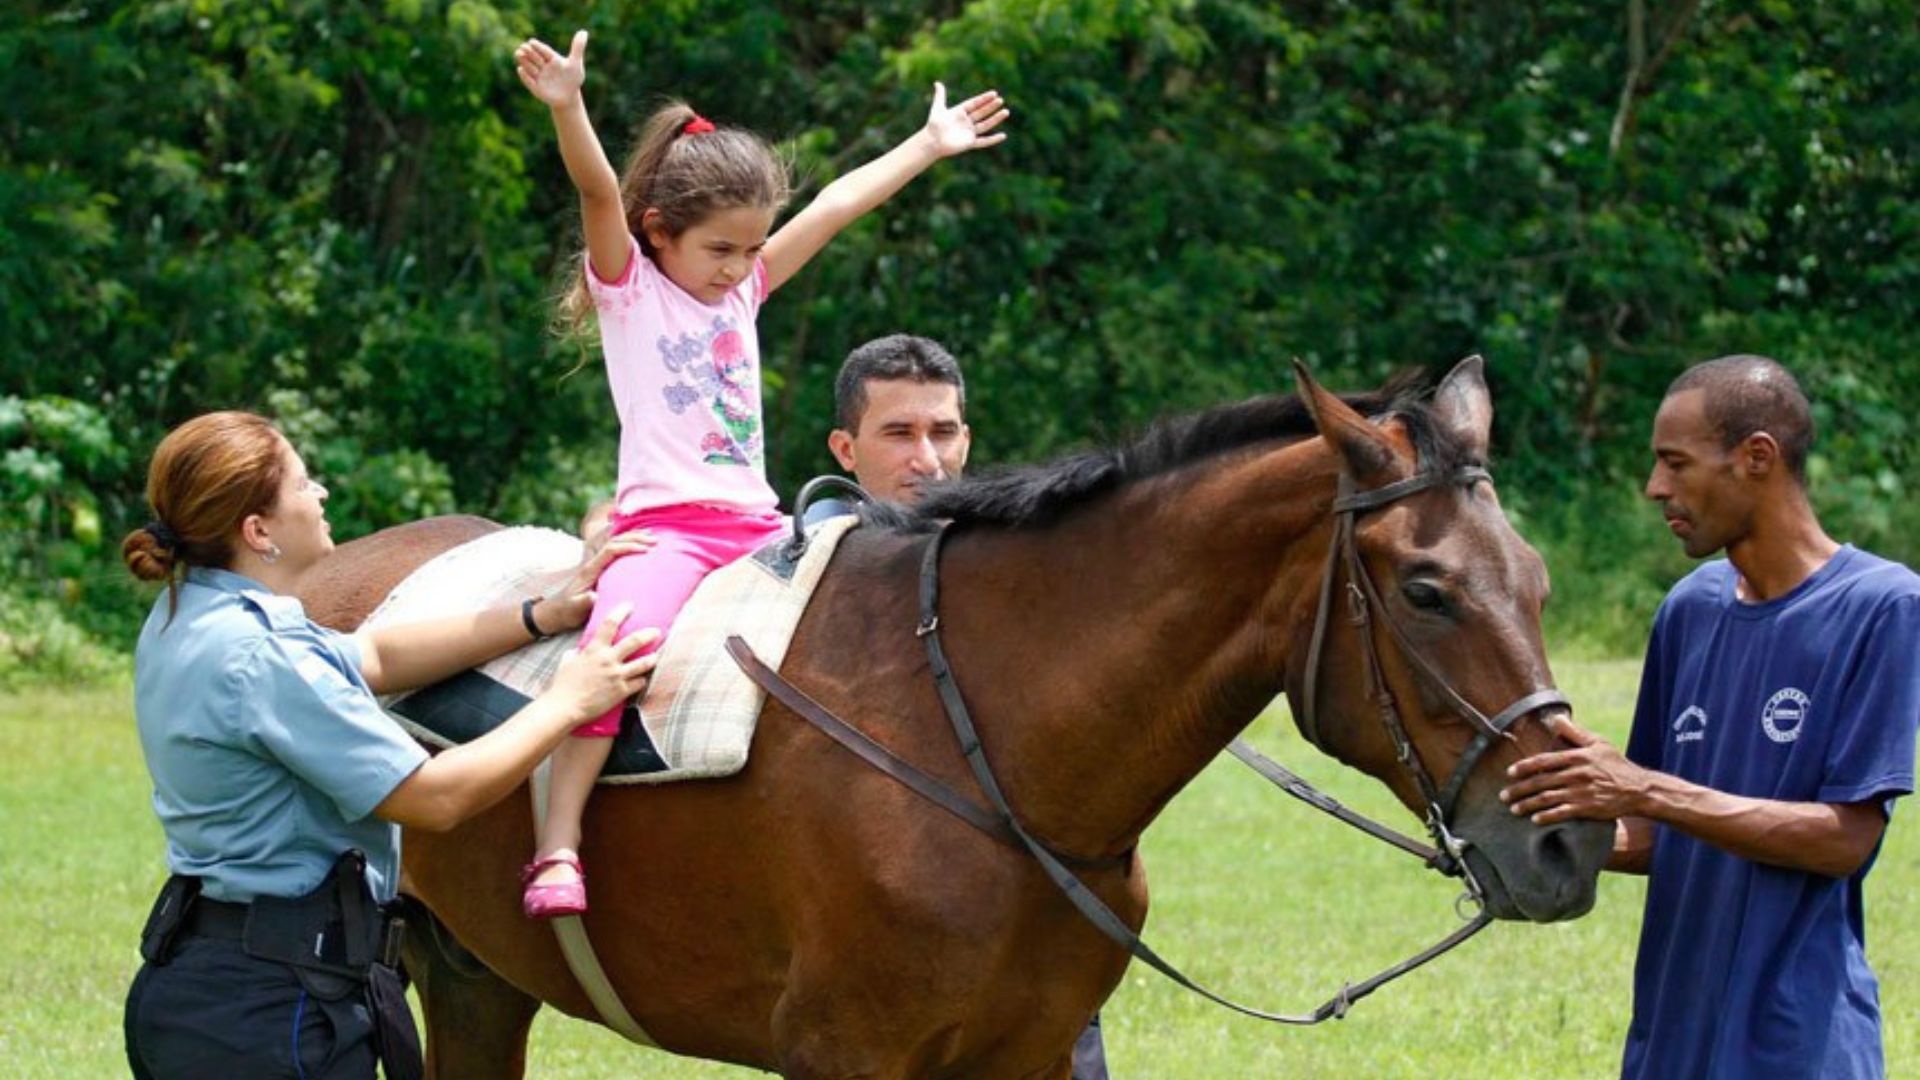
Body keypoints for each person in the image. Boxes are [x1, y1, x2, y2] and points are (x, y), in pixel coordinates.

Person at [511, 29, 1009, 918]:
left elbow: (839, 205)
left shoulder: (741, 288)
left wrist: (928, 146)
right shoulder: (632, 288)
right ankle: (558, 843)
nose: (742, 269)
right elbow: (595, 188)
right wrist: (568, 105)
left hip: (758, 525)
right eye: (722, 251)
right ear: (659, 233)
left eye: (752, 249)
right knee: (611, 655)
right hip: (667, 530)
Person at [121, 411, 661, 1080]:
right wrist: (568, 701)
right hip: (273, 1016)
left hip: (211, 984)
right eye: (301, 483)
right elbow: (436, 798)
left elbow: (373, 653)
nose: (319, 493)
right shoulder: (263, 659)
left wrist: (539, 615)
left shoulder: (192, 615)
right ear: (258, 531)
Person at [1500, 356, 1920, 1079]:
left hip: (1796, 1047)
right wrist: (1526, 832)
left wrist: (1641, 789)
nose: (1654, 487)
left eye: (1675, 463)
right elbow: (1661, 835)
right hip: (1669, 1041)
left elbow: (1846, 839)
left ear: (1757, 457)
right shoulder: (1688, 611)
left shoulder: (1882, 608)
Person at [809, 334, 1113, 1080]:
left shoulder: (1004, 564)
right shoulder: (813, 566)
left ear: (968, 438)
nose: (928, 459)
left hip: (1031, 874)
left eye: (943, 432)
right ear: (845, 448)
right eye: (899, 434)